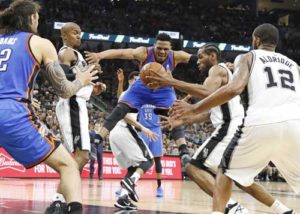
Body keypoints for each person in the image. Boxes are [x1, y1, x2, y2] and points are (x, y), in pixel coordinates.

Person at [150, 44, 296, 214]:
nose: (198, 61)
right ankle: (284, 211)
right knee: (241, 178)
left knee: (192, 166)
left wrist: (171, 81)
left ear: (213, 56)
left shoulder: (218, 70)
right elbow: (211, 114)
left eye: (201, 56)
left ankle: (231, 206)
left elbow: (206, 91)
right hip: (238, 126)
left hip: (230, 127)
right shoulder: (225, 77)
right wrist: (183, 120)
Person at [0, 1, 98, 214]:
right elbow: (64, 90)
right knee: (69, 166)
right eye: (38, 17)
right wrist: (81, 79)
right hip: (13, 114)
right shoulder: (40, 43)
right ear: (32, 18)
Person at [85, 33, 194, 167]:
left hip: (163, 87)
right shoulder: (143, 52)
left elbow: (197, 59)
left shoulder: (177, 56)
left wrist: (220, 64)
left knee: (175, 113)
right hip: (142, 86)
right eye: (159, 48)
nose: (162, 51)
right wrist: (100, 55)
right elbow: (122, 53)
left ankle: (183, 152)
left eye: (166, 49)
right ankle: (97, 140)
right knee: (121, 108)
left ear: (170, 48)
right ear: (154, 46)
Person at [54, 22, 106, 209]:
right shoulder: (66, 52)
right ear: (64, 36)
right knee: (82, 155)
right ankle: (59, 201)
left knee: (81, 156)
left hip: (78, 102)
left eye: (80, 32)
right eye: (74, 33)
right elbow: (64, 78)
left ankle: (60, 201)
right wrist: (86, 74)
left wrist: (94, 88)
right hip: (72, 104)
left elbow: (78, 82)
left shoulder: (77, 55)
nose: (79, 35)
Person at [111, 71, 158, 210]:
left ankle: (123, 198)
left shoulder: (128, 94)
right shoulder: (131, 94)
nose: (140, 83)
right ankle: (131, 182)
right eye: (137, 80)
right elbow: (124, 114)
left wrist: (120, 82)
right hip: (124, 128)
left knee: (133, 167)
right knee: (148, 160)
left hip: (115, 132)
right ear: (131, 81)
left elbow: (120, 98)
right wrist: (144, 128)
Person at [116, 68, 164, 197]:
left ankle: (160, 187)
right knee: (137, 159)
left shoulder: (155, 96)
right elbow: (121, 99)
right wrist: (121, 82)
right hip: (142, 128)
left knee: (157, 159)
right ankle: (127, 184)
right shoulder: (137, 95)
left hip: (155, 129)